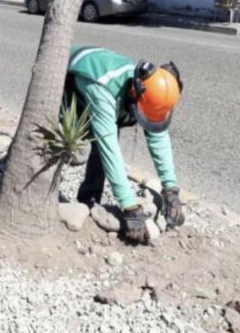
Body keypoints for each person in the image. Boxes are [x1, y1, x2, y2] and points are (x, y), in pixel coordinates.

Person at [65, 46, 185, 243]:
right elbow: (108, 145)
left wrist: (170, 189)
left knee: (104, 134)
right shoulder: (105, 90)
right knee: (69, 139)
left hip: (104, 83)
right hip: (75, 78)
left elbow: (158, 136)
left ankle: (88, 201)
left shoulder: (151, 90)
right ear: (133, 93)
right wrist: (129, 206)